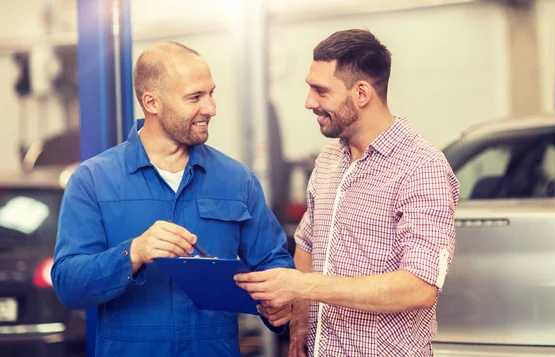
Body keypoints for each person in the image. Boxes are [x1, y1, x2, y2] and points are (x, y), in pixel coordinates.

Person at [51, 41, 294, 356]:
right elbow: (69, 284)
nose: (210, 108)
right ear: (152, 102)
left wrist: (279, 304)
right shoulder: (93, 181)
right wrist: (134, 252)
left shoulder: (237, 179)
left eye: (211, 93)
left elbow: (273, 261)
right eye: (195, 97)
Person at [234, 29, 460, 356]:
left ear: (362, 93)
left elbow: (419, 287)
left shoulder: (422, 168)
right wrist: (299, 322)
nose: (309, 102)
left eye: (320, 91)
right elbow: (308, 246)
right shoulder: (328, 160)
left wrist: (303, 286)